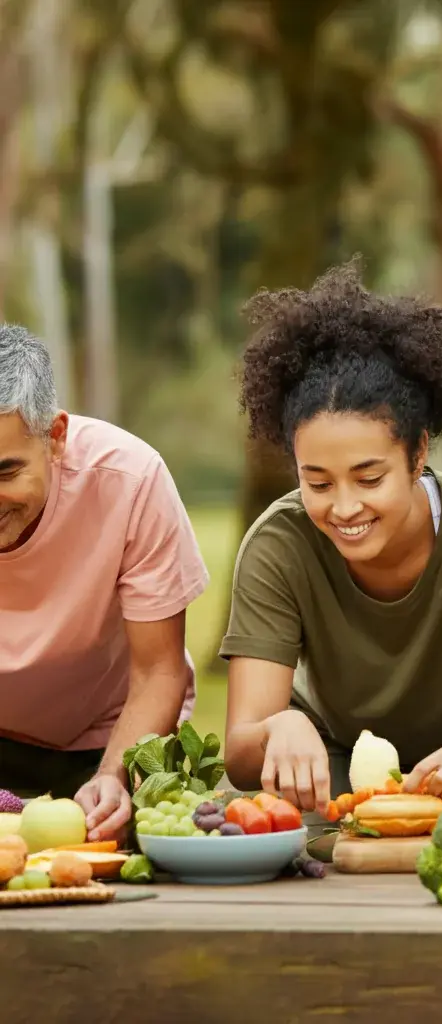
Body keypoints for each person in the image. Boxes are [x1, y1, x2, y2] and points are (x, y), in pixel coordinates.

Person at [219, 261, 442, 815]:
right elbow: (241, 756)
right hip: (329, 776)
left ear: (418, 452)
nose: (344, 508)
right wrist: (277, 728)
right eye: (317, 483)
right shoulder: (279, 544)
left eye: (369, 478)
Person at [0, 325, 210, 839]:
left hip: (111, 739)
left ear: (55, 437)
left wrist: (115, 775)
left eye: (5, 473)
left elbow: (159, 670)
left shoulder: (131, 480)